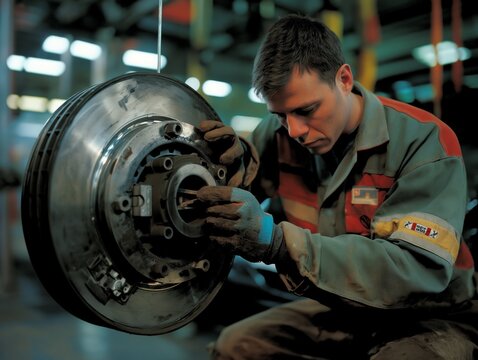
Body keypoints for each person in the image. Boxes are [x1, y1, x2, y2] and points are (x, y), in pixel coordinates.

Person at [197, 14, 478, 359]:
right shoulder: (278, 135)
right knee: (235, 347)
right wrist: (226, 166)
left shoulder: (424, 142)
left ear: (344, 79)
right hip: (343, 307)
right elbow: (243, 194)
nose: (295, 130)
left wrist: (279, 242)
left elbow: (413, 272)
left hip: (431, 314)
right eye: (281, 115)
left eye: (307, 110)